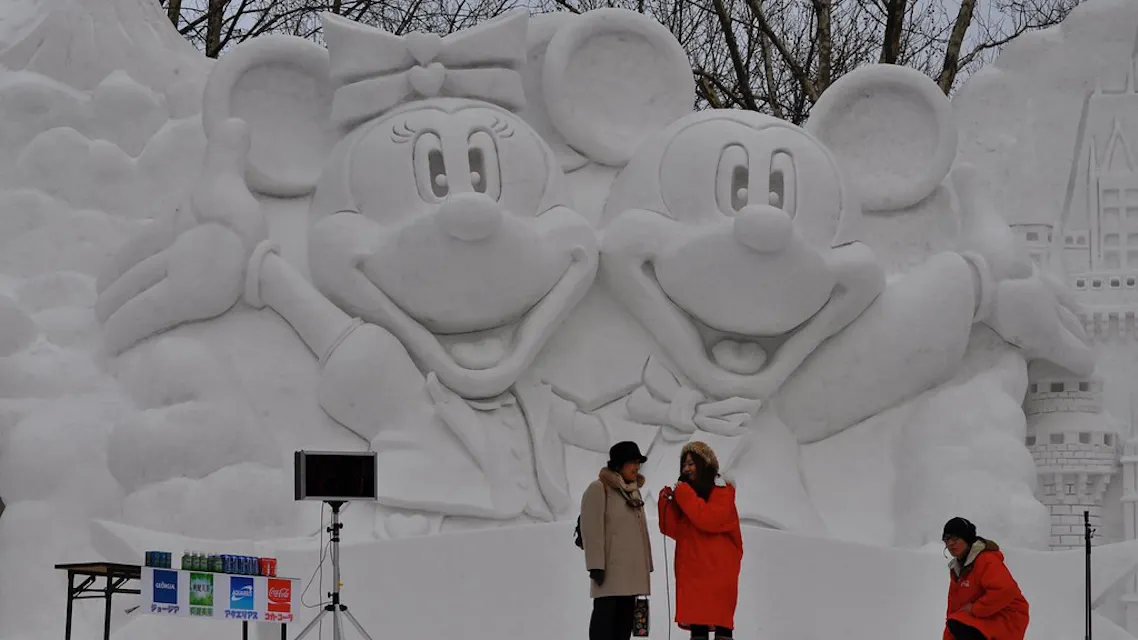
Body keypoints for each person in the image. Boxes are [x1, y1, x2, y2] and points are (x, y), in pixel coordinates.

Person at [659, 441, 743, 640]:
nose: (686, 468)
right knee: (698, 627)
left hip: (717, 573)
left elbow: (708, 519)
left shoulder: (722, 492)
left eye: (691, 463)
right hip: (694, 573)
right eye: (684, 464)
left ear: (704, 465)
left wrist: (684, 494)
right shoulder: (689, 497)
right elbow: (672, 529)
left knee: (721, 626)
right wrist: (667, 502)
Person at [581, 441, 654, 640]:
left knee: (623, 632)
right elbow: (591, 529)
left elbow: (641, 531)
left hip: (631, 576)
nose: (637, 467)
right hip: (609, 576)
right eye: (633, 462)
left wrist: (647, 564)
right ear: (619, 464)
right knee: (603, 631)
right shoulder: (599, 488)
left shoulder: (634, 492)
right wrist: (595, 566)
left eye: (638, 462)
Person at [942, 517, 1030, 640]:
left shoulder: (985, 559)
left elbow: (1005, 591)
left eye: (955, 538)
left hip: (1007, 617)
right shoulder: (958, 569)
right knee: (956, 623)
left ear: (967, 538)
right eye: (946, 539)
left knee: (959, 624)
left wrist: (974, 608)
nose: (950, 543)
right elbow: (954, 613)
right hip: (984, 618)